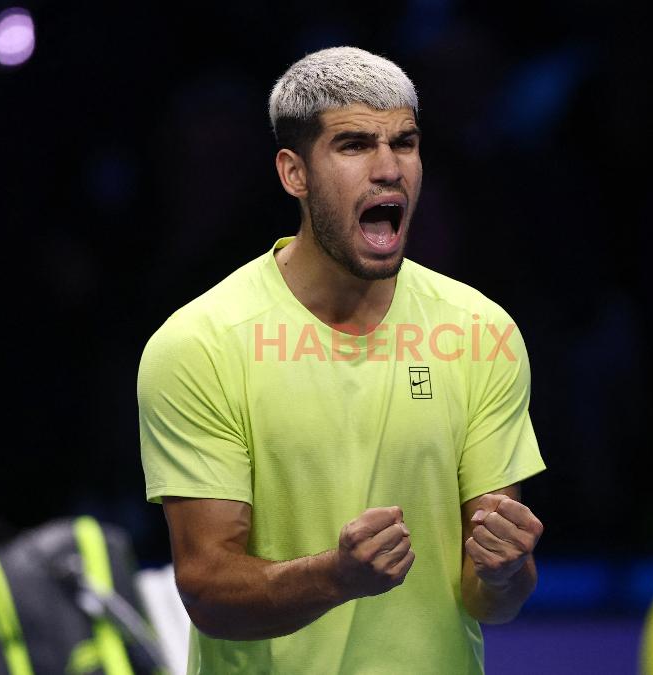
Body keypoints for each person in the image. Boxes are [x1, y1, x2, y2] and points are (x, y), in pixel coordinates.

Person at [138, 46, 546, 674]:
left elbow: (489, 598)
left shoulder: (482, 333)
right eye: (354, 145)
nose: (389, 169)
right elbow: (209, 592)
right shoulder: (199, 344)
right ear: (293, 173)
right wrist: (336, 577)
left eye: (404, 143)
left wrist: (505, 571)